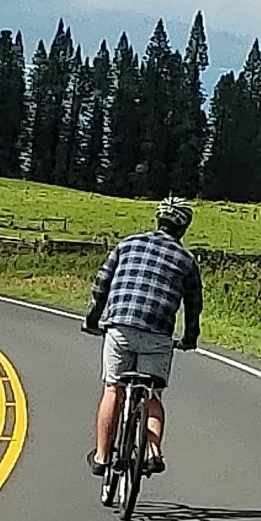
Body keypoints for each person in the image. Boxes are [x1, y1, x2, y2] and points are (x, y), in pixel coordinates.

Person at [84, 196, 203, 477]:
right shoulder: (187, 260)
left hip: (120, 328)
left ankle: (102, 456)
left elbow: (101, 285)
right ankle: (153, 452)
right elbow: (194, 306)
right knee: (153, 394)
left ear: (158, 219)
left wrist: (92, 320)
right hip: (158, 335)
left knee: (113, 388)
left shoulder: (127, 244)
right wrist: (189, 338)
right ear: (184, 228)